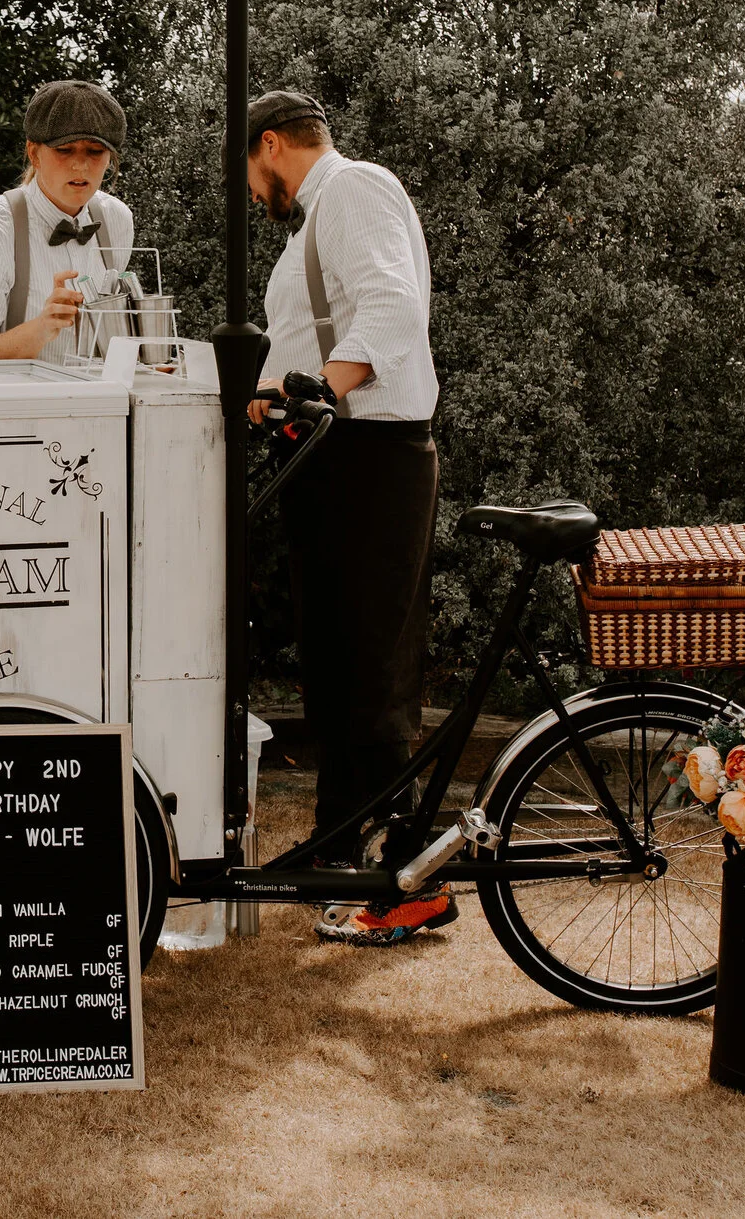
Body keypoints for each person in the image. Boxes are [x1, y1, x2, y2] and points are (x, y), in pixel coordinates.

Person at [241, 88, 448, 947]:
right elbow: (313, 335)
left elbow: (393, 306)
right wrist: (270, 397)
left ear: (272, 145)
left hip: (374, 456)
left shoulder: (354, 188)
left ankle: (408, 880)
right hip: (331, 456)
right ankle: (337, 846)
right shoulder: (314, 223)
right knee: (332, 663)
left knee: (374, 670)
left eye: (252, 174)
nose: (254, 195)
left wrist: (326, 388)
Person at [0, 81, 135, 365]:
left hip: (97, 405)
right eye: (65, 150)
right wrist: (40, 330)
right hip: (18, 408)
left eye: (94, 152)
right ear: (34, 153)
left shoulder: (117, 220)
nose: (80, 166)